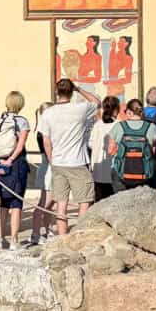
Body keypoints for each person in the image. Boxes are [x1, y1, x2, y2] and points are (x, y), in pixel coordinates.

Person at [39, 78, 100, 236]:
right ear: (71, 92)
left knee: (61, 204)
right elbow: (97, 102)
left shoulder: (48, 113)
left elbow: (46, 140)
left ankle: (62, 237)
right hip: (77, 162)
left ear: (56, 92)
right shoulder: (79, 109)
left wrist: (52, 160)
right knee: (84, 201)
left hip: (58, 162)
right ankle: (79, 235)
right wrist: (79, 89)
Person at [0, 91, 31, 249]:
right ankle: (14, 239)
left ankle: (0, 238)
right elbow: (20, 146)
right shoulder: (22, 122)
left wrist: (3, 161)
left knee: (2, 202)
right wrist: (11, 160)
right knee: (16, 202)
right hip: (15, 164)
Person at [107, 99, 156, 193]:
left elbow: (110, 151)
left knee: (121, 203)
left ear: (129, 112)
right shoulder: (152, 127)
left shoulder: (118, 126)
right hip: (145, 174)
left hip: (121, 173)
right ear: (141, 112)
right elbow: (154, 150)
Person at [29, 102, 55, 245]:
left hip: (48, 167)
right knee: (45, 203)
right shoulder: (43, 131)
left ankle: (49, 231)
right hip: (48, 168)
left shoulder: (46, 129)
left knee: (50, 205)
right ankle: (35, 233)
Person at [88, 96, 121, 201]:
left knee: (98, 202)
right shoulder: (119, 125)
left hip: (97, 170)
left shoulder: (97, 125)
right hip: (113, 171)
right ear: (116, 109)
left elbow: (90, 144)